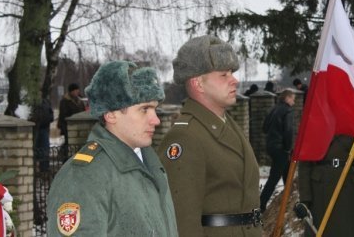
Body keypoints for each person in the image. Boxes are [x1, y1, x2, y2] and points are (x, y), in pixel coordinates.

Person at [47, 60, 178, 236]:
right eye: (144, 109)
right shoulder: (84, 176)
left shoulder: (151, 164)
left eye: (155, 109)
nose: (156, 120)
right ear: (111, 114)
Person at [158, 35, 261, 236]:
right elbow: (182, 220)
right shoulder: (185, 137)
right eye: (224, 75)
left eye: (232, 72)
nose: (234, 80)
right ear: (198, 83)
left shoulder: (225, 124)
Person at [296, 135, 354, 236]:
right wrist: (305, 200)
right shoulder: (315, 123)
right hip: (320, 190)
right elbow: (305, 164)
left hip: (347, 188)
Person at [260, 89, 295, 212]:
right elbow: (288, 131)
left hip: (271, 146)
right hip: (281, 148)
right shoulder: (287, 111)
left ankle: (288, 199)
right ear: (287, 98)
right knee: (274, 178)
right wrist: (288, 148)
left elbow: (264, 128)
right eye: (292, 98)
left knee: (287, 173)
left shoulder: (273, 109)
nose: (294, 102)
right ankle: (261, 204)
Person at [57, 83, 86, 160]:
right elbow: (63, 115)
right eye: (75, 90)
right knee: (68, 144)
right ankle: (65, 158)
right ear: (71, 91)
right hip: (68, 126)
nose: (77, 92)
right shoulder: (65, 101)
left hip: (80, 127)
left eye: (78, 90)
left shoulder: (80, 101)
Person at [33, 98, 54, 172]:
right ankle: (35, 167)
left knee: (44, 149)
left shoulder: (45, 101)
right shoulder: (33, 101)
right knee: (36, 148)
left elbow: (51, 115)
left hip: (44, 127)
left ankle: (44, 168)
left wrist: (47, 120)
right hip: (34, 128)